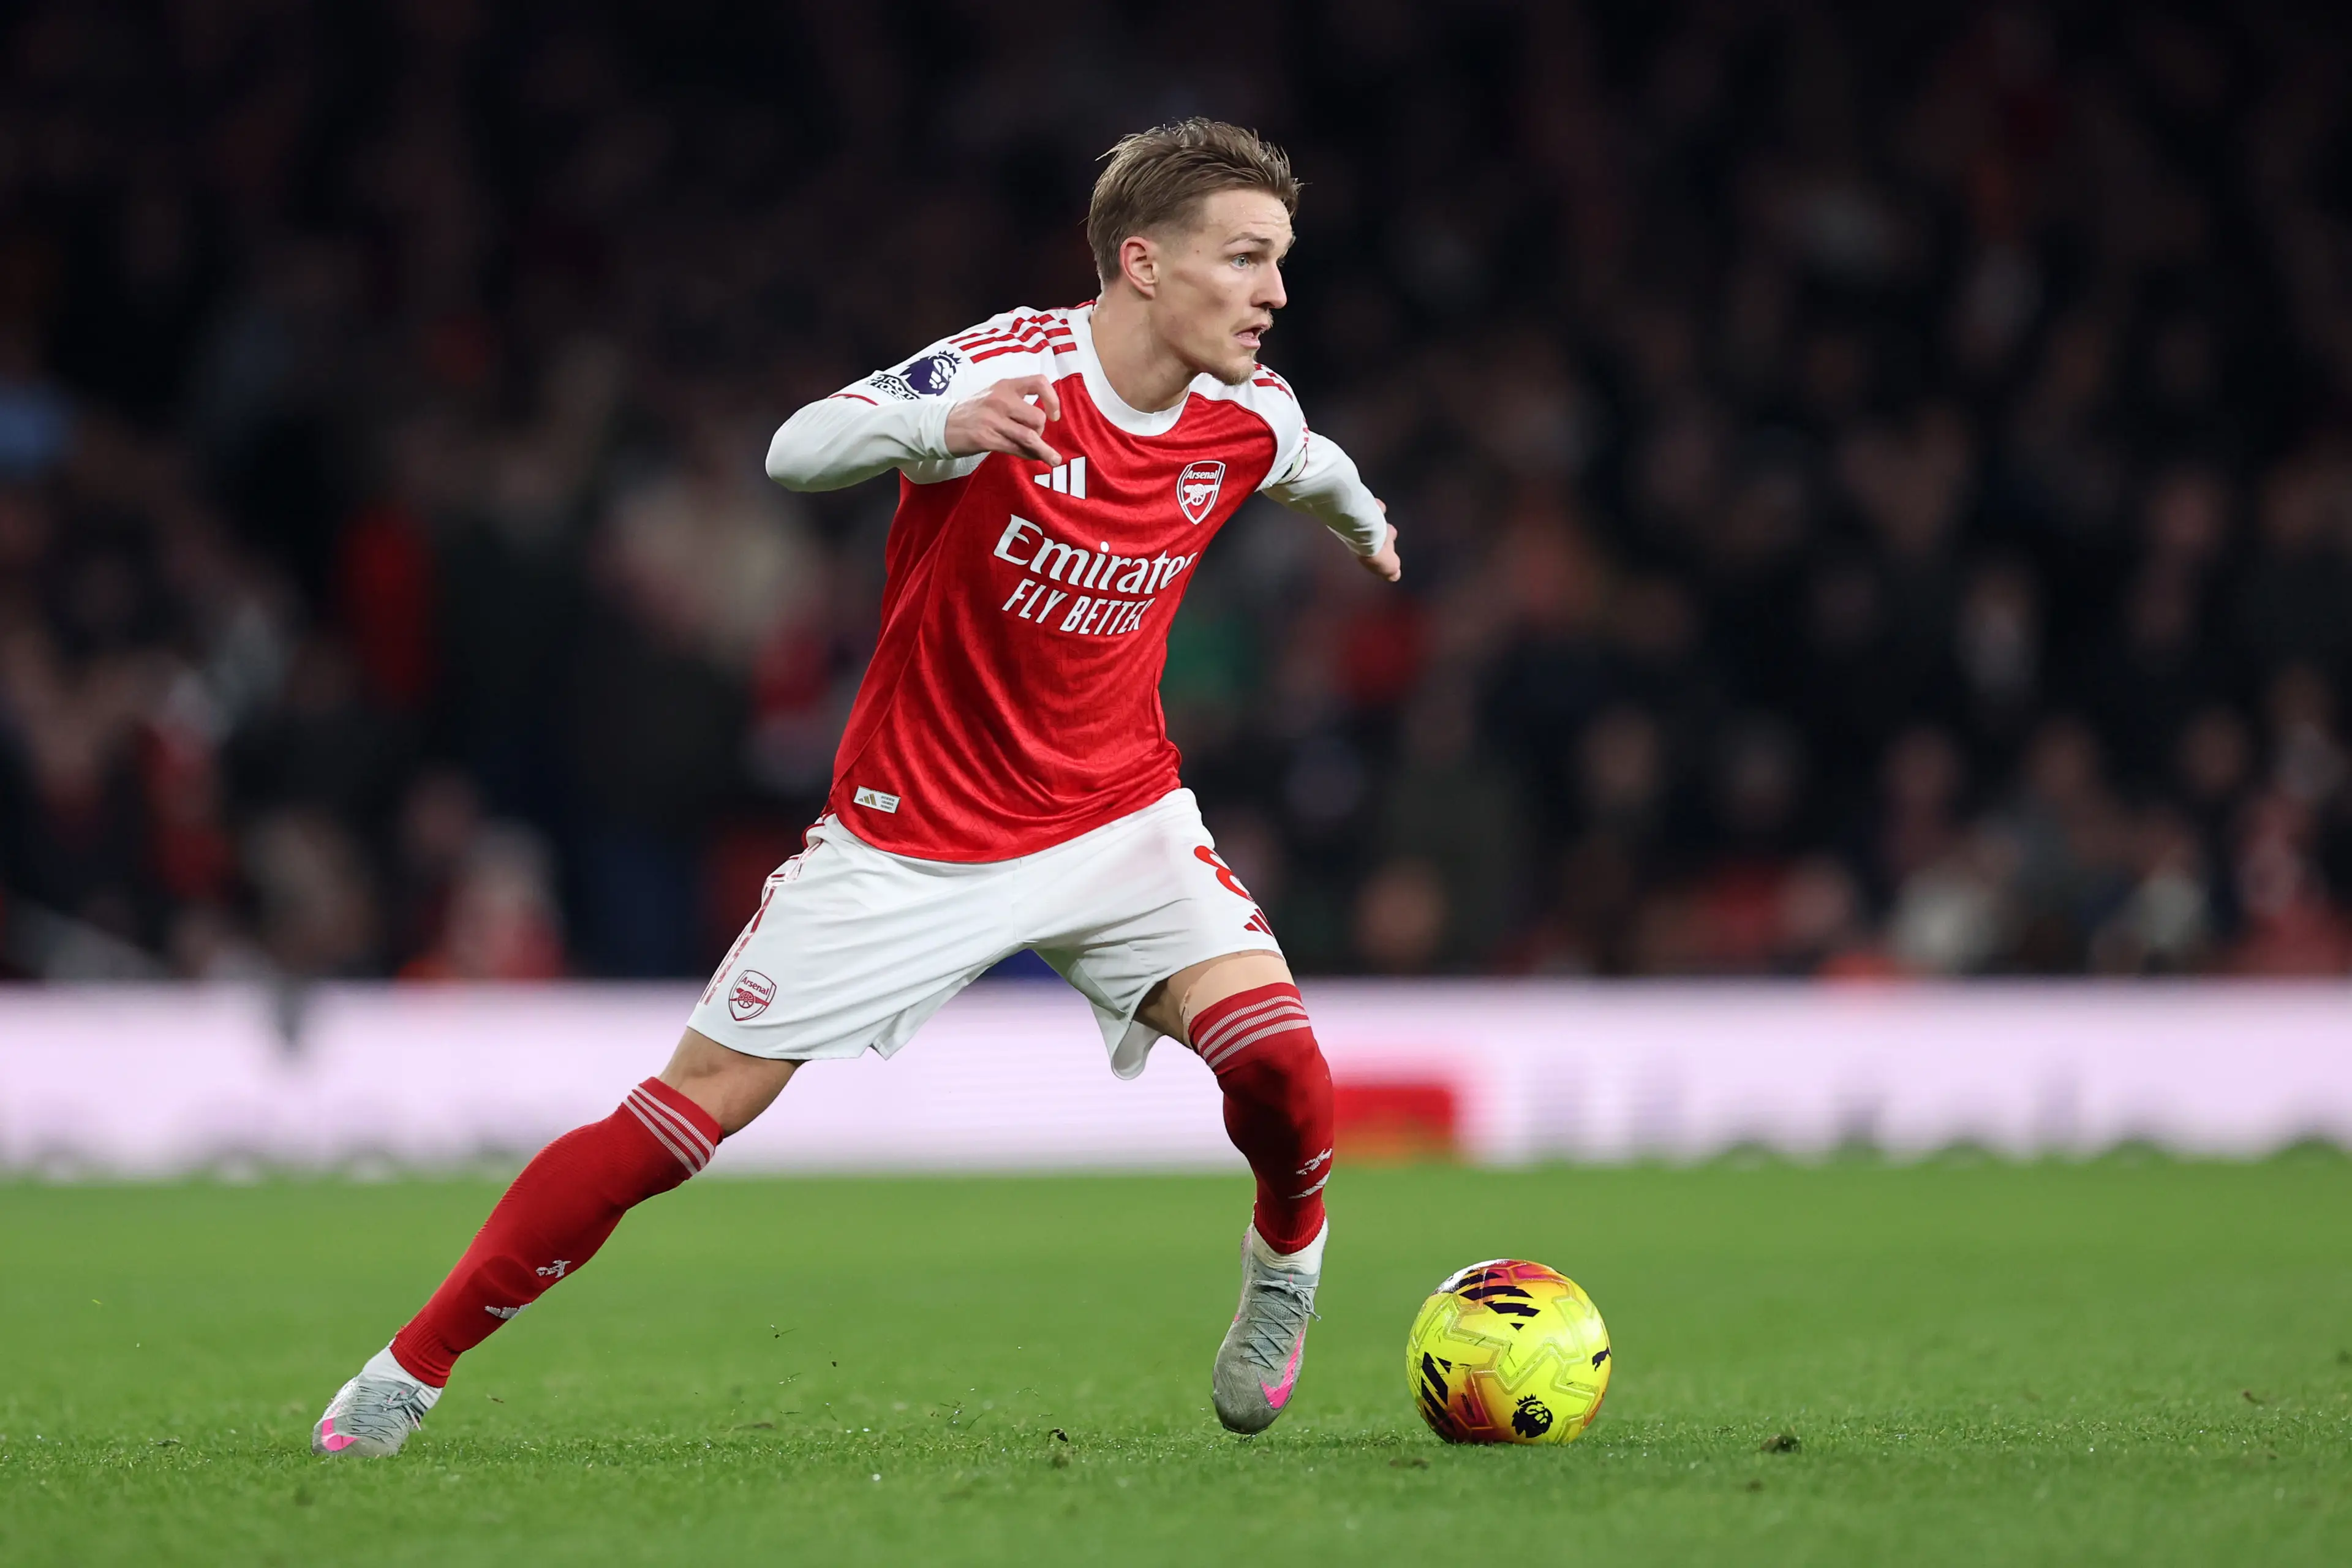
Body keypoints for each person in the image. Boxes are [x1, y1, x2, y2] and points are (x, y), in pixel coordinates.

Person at [312, 118, 1400, 1457]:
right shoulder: (1011, 369)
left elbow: (1313, 461)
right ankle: (407, 1369)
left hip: (1119, 815)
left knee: (1289, 1065)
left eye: (1279, 261)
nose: (1276, 293)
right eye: (1247, 259)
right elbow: (797, 447)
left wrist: (1365, 524)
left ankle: (1286, 1264)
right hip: (914, 837)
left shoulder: (1246, 411)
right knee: (686, 1110)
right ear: (1142, 264)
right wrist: (936, 424)